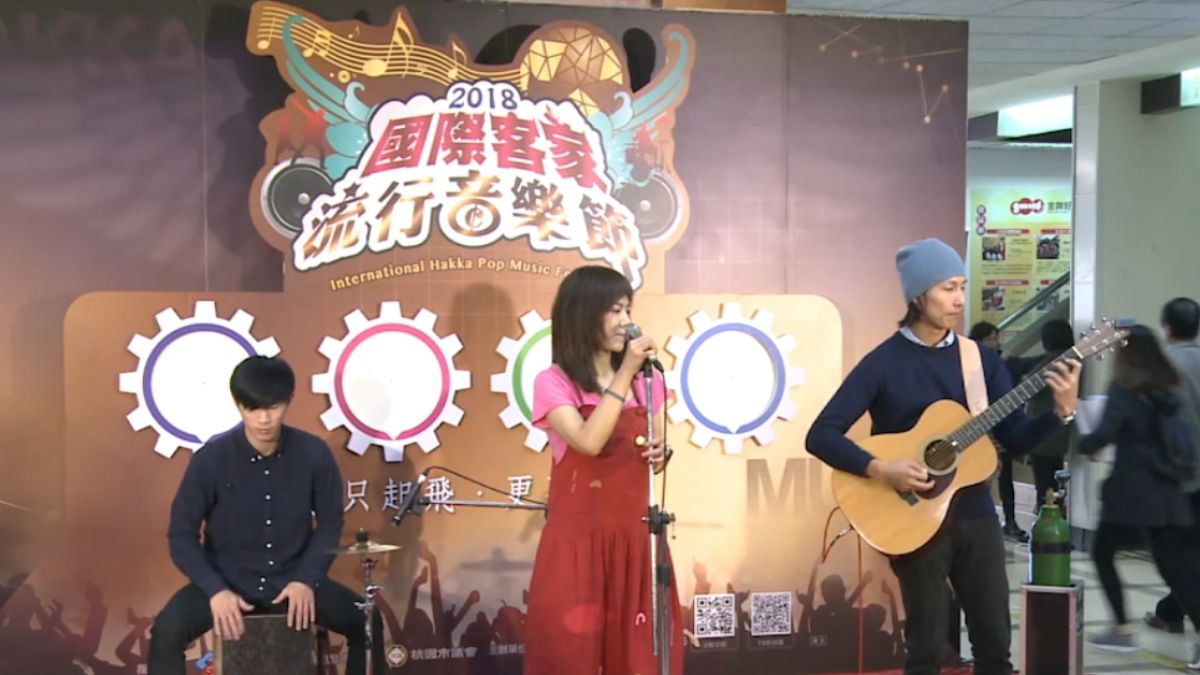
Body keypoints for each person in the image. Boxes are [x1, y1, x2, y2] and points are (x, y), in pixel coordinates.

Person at [806, 238, 1080, 675]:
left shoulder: (979, 360)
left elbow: (1016, 439)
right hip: (913, 523)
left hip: (976, 516)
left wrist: (1060, 413)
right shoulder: (883, 363)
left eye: (962, 287)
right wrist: (881, 468)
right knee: (927, 651)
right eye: (947, 288)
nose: (958, 299)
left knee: (995, 645)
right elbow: (820, 435)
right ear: (918, 296)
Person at [148, 356, 383, 675]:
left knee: (366, 621)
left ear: (288, 401)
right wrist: (215, 590)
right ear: (238, 405)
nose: (263, 419)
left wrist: (306, 579)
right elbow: (181, 535)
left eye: (272, 407)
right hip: (227, 581)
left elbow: (330, 523)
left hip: (293, 579)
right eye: (252, 409)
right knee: (167, 630)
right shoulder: (211, 460)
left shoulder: (313, 453)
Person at [523, 265, 680, 675]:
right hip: (579, 544)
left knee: (638, 659)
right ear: (583, 314)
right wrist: (625, 372)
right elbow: (588, 442)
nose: (626, 322)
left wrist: (661, 451)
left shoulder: (647, 381)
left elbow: (653, 449)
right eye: (615, 310)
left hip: (636, 540)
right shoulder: (553, 382)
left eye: (628, 310)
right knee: (571, 656)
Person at [1078, 325, 1200, 661]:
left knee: (1102, 553)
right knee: (1174, 569)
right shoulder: (1168, 386)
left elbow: (1104, 433)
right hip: (1169, 493)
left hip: (1130, 495)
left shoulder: (1124, 388)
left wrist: (1083, 441)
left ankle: (1121, 629)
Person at [1146, 297, 1200, 640]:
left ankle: (1178, 614)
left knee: (1174, 558)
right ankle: (1170, 612)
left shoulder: (1160, 367)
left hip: (1175, 480)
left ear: (1166, 328)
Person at [969, 321, 1027, 542]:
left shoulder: (1002, 361)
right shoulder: (967, 361)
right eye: (990, 339)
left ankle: (1010, 521)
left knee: (1005, 475)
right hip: (976, 427)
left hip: (999, 425)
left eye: (996, 338)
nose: (994, 343)